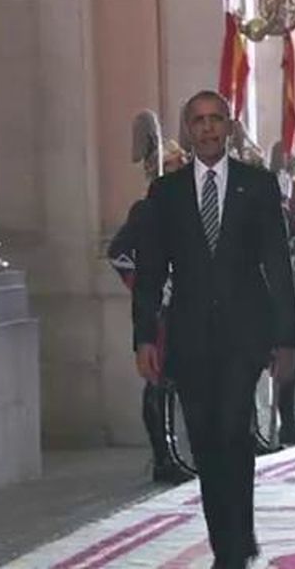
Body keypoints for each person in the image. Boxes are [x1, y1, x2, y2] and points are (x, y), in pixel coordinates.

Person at [134, 90, 295, 568]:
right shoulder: (166, 193)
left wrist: (286, 339)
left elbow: (278, 265)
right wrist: (144, 336)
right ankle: (229, 537)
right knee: (205, 441)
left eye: (216, 119)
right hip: (189, 338)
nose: (207, 128)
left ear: (229, 125)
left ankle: (231, 550)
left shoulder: (258, 185)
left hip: (245, 336)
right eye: (198, 121)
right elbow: (150, 271)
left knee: (233, 429)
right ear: (188, 130)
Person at [109, 141, 195, 485]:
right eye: (174, 169)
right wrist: (147, 281)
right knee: (157, 381)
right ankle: (162, 456)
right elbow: (118, 253)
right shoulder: (145, 210)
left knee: (174, 379)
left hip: (180, 307)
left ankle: (175, 452)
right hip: (155, 307)